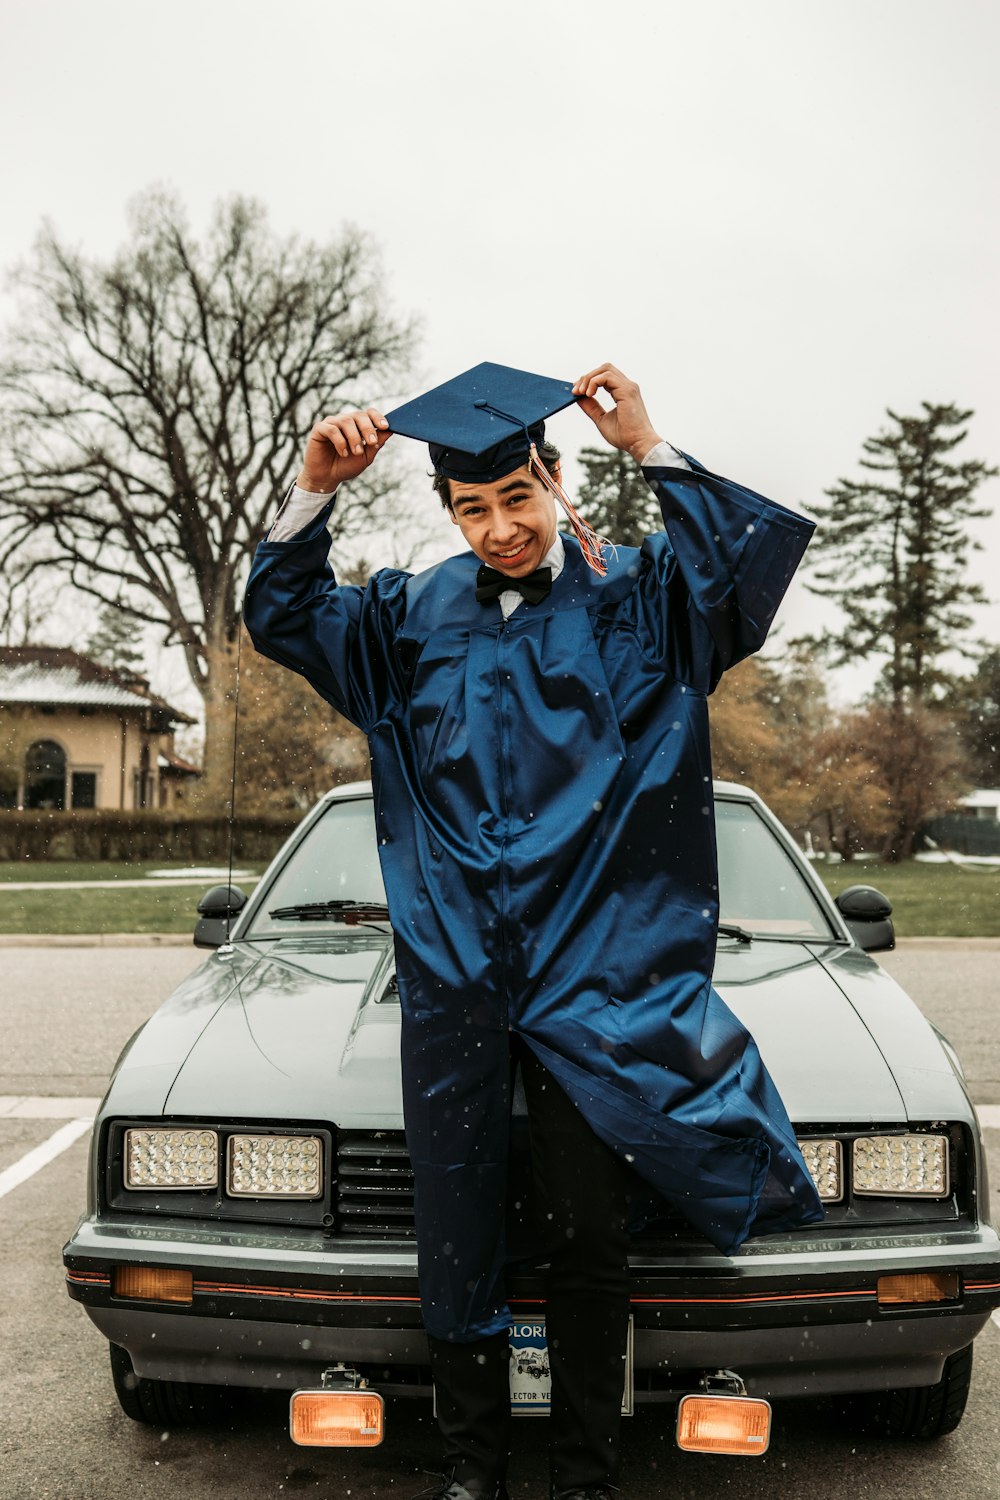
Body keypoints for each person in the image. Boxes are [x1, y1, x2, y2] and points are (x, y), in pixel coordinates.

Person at [244, 362, 824, 1500]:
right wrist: (313, 487)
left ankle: (584, 1472)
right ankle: (470, 1465)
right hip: (457, 972)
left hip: (594, 977)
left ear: (554, 480)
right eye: (473, 508)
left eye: (517, 496)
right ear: (447, 514)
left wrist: (648, 442)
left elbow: (738, 579)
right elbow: (283, 616)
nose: (500, 527)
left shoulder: (638, 604)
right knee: (455, 1227)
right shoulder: (407, 618)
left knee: (588, 1240)